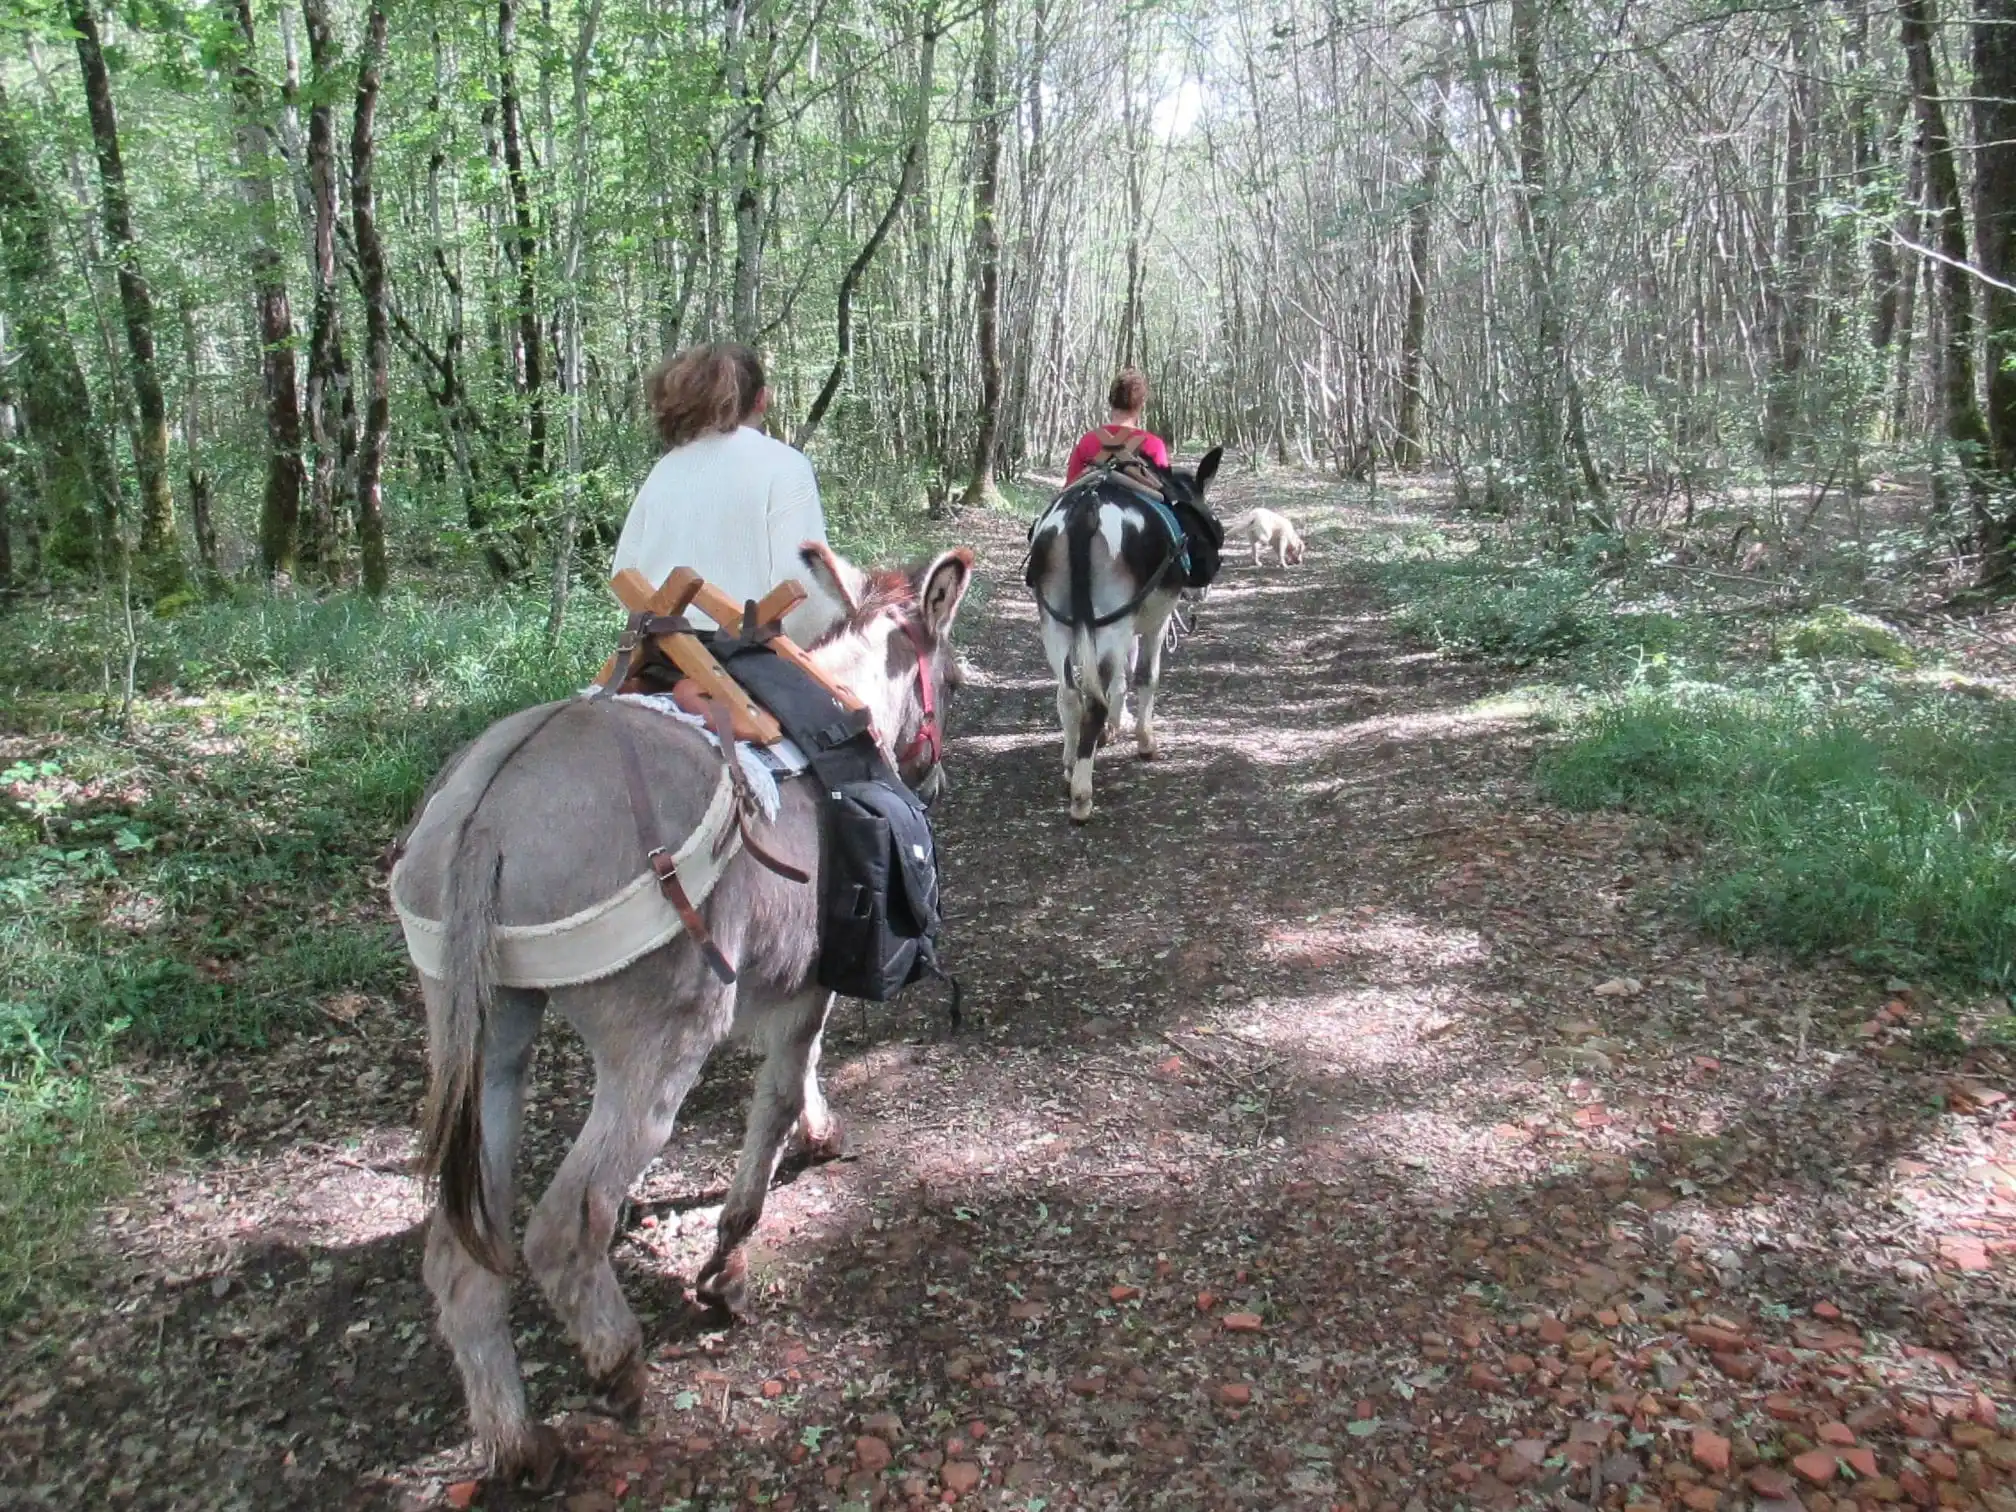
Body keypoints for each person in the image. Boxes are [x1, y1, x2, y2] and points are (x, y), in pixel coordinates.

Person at [611, 342, 840, 643]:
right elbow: (804, 588)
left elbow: (624, 578)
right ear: (761, 399)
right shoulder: (785, 465)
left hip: (661, 654)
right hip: (749, 657)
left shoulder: (664, 470)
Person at [1064, 366, 1172, 484]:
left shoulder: (1087, 441)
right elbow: (1163, 494)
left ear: (1110, 401)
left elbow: (1070, 490)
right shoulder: (1153, 445)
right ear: (1142, 404)